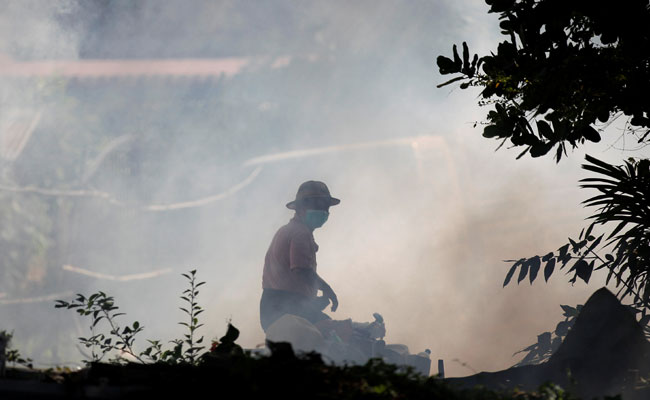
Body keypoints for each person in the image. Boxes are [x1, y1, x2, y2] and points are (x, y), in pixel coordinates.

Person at [260, 180, 340, 332]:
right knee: (336, 336)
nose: (323, 210)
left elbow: (293, 280)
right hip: (284, 309)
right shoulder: (300, 233)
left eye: (325, 206)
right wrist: (327, 289)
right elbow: (301, 270)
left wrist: (311, 302)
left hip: (276, 308)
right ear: (300, 208)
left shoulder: (289, 230)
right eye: (317, 205)